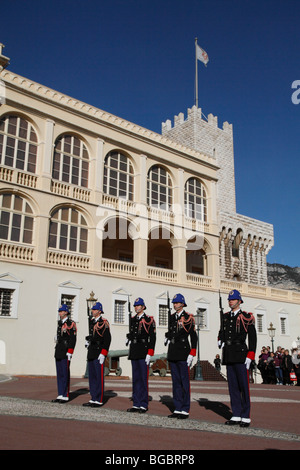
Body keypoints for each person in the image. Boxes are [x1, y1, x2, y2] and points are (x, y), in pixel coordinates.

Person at [218, 289, 257, 427]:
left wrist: (250, 355)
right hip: (229, 353)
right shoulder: (226, 316)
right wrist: (220, 339)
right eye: (229, 299)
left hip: (241, 353)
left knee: (243, 387)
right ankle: (236, 414)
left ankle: (245, 415)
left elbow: (252, 337)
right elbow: (222, 331)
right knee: (233, 386)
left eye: (233, 299)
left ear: (239, 301)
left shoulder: (246, 317)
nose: (230, 301)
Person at [165, 293, 197, 419]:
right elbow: (171, 332)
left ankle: (185, 408)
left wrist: (192, 352)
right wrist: (167, 337)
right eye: (174, 303)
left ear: (182, 304)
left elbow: (193, 336)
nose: (175, 304)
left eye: (177, 303)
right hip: (173, 351)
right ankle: (177, 407)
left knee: (184, 382)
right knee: (176, 382)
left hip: (183, 351)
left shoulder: (188, 317)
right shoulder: (172, 317)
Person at [126, 297, 156, 413]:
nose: (136, 307)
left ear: (143, 307)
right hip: (134, 350)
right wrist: (129, 338)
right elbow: (133, 334)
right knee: (136, 379)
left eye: (138, 305)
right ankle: (136, 403)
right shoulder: (133, 319)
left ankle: (143, 404)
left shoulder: (149, 320)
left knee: (143, 379)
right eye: (135, 305)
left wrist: (150, 352)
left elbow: (152, 338)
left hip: (143, 351)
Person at [83, 302, 111, 407]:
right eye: (92, 309)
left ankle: (99, 399)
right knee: (92, 377)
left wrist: (103, 353)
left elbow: (107, 339)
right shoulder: (91, 321)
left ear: (99, 311)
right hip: (92, 351)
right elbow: (92, 335)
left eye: (94, 310)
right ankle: (93, 397)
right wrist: (88, 341)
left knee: (99, 377)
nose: (92, 311)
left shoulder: (104, 322)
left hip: (99, 351)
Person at [52, 304, 77, 403]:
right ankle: (60, 394)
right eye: (59, 311)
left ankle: (65, 395)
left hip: (66, 350)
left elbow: (73, 339)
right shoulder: (60, 323)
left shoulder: (71, 323)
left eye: (61, 311)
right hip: (59, 349)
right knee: (59, 373)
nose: (60, 313)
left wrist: (70, 351)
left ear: (66, 312)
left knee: (65, 373)